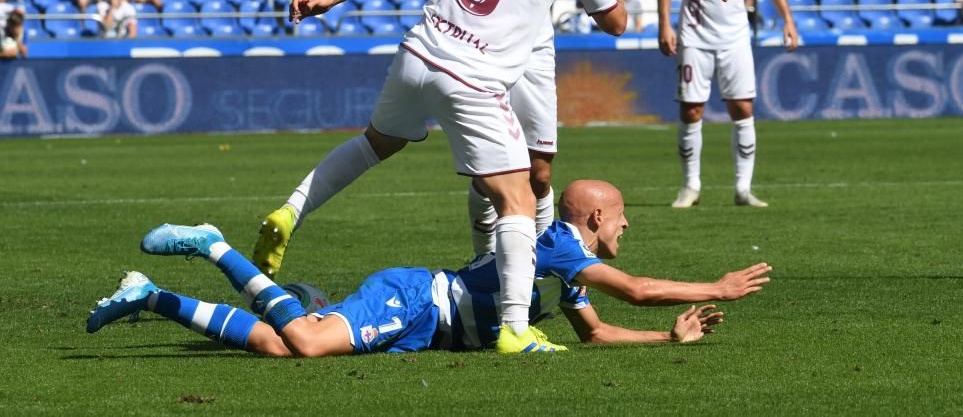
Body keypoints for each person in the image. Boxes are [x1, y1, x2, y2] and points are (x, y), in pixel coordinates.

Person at [255, 0, 724, 289]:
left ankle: (542, 273)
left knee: (538, 173)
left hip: (531, 47)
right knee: (499, 175)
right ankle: (494, 277)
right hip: (475, 50)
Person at [256, 0, 626, 354]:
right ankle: (516, 327)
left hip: (417, 54)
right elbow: (615, 23)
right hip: (472, 77)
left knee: (374, 144)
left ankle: (290, 210)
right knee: (518, 197)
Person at [87, 180, 773, 355]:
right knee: (304, 341)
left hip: (424, 325)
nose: (628, 225)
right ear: (595, 219)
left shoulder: (559, 266)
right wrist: (716, 287)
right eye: (622, 216)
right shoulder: (559, 240)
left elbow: (594, 333)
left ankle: (152, 298)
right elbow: (636, 289)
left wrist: (668, 340)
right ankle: (213, 244)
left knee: (274, 342)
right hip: (417, 299)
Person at [657, 0, 799, 209]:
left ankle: (743, 188)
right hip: (694, 34)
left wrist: (788, 20)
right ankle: (690, 186)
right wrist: (665, 23)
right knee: (692, 110)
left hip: (735, 34)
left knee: (742, 107)